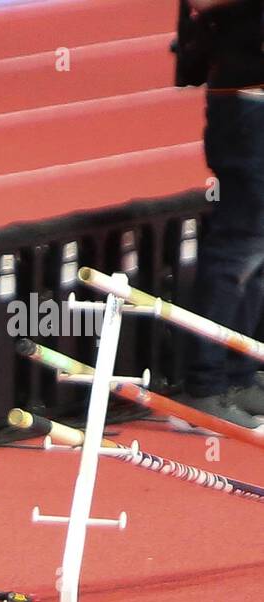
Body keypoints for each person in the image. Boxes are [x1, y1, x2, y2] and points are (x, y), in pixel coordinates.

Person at [181, 0, 264, 426]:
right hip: (247, 105)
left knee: (257, 253)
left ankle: (238, 375)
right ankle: (204, 387)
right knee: (238, 248)